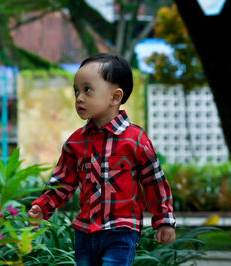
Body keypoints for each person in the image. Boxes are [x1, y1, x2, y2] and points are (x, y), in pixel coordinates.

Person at [28, 53, 176, 266]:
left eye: (88, 89)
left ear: (115, 97)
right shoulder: (76, 143)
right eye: (76, 91)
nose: (79, 97)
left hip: (121, 231)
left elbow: (155, 182)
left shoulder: (135, 141)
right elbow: (63, 181)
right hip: (85, 232)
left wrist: (164, 221)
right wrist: (43, 206)